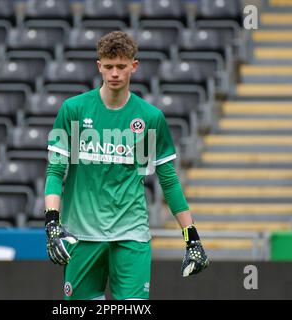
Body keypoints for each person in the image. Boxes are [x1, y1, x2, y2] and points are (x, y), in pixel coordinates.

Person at [44, 31, 208, 300]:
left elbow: (169, 182)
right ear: (99, 67)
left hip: (131, 235)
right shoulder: (73, 110)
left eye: (121, 66)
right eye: (108, 67)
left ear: (134, 66)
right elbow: (55, 171)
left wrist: (191, 237)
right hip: (82, 235)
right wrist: (52, 221)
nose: (115, 73)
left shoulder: (150, 118)